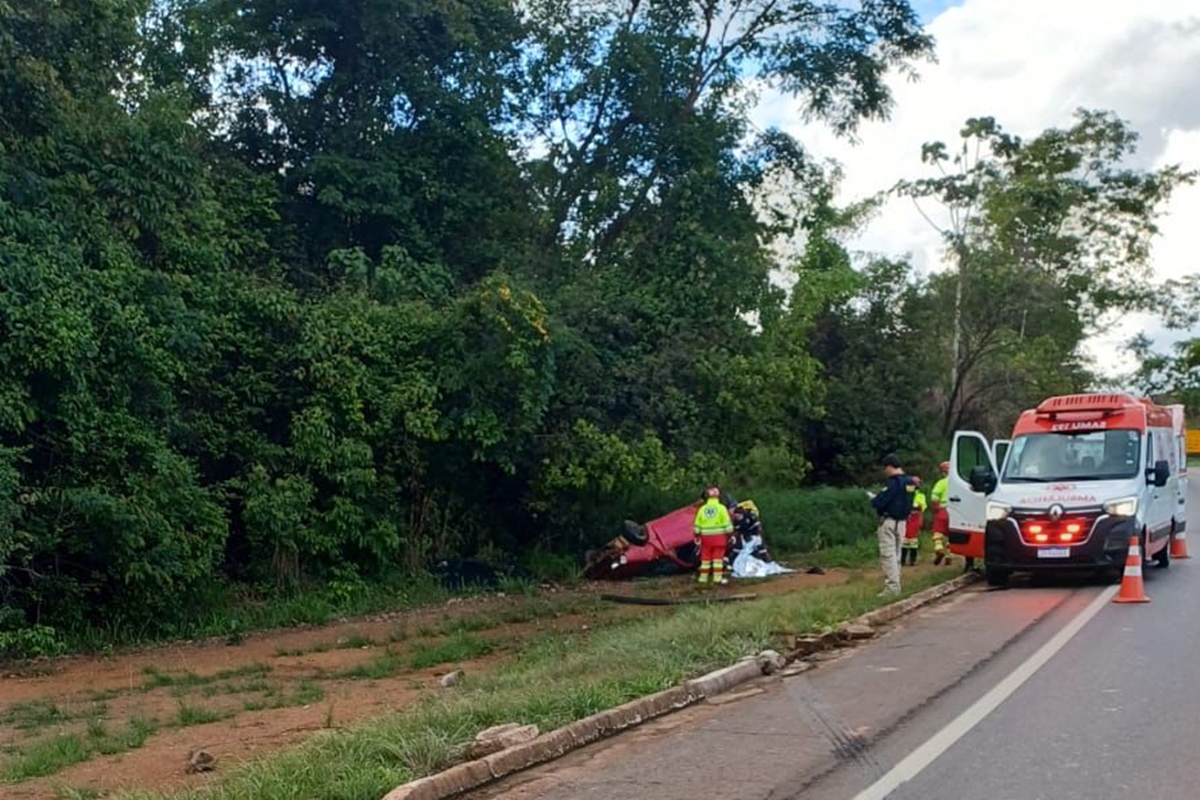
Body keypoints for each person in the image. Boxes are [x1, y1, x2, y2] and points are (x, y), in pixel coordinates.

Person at [869, 454, 915, 595]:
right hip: (902, 523)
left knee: (888, 555)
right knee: (897, 555)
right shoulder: (910, 482)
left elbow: (879, 502)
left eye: (885, 468)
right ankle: (897, 584)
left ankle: (892, 588)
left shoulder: (893, 483)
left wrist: (874, 499)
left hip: (888, 522)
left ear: (889, 467)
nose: (885, 471)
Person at [693, 485, 734, 585]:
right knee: (718, 560)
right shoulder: (721, 508)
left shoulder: (702, 509)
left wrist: (697, 536)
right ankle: (717, 578)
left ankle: (703, 578)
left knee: (705, 559)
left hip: (706, 539)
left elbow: (697, 525)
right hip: (719, 538)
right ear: (718, 495)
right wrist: (730, 535)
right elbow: (727, 525)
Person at [930, 461, 952, 566]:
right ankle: (949, 555)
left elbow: (934, 498)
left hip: (942, 510)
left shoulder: (941, 483)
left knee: (938, 531)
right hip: (955, 511)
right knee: (950, 534)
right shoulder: (959, 483)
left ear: (943, 472)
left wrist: (935, 508)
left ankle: (939, 549)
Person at [902, 476, 926, 566]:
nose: (916, 485)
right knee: (904, 539)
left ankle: (912, 560)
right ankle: (902, 560)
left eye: (918, 483)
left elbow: (922, 507)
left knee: (913, 540)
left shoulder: (920, 495)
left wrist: (916, 507)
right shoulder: (905, 494)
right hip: (906, 518)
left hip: (915, 519)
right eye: (915, 483)